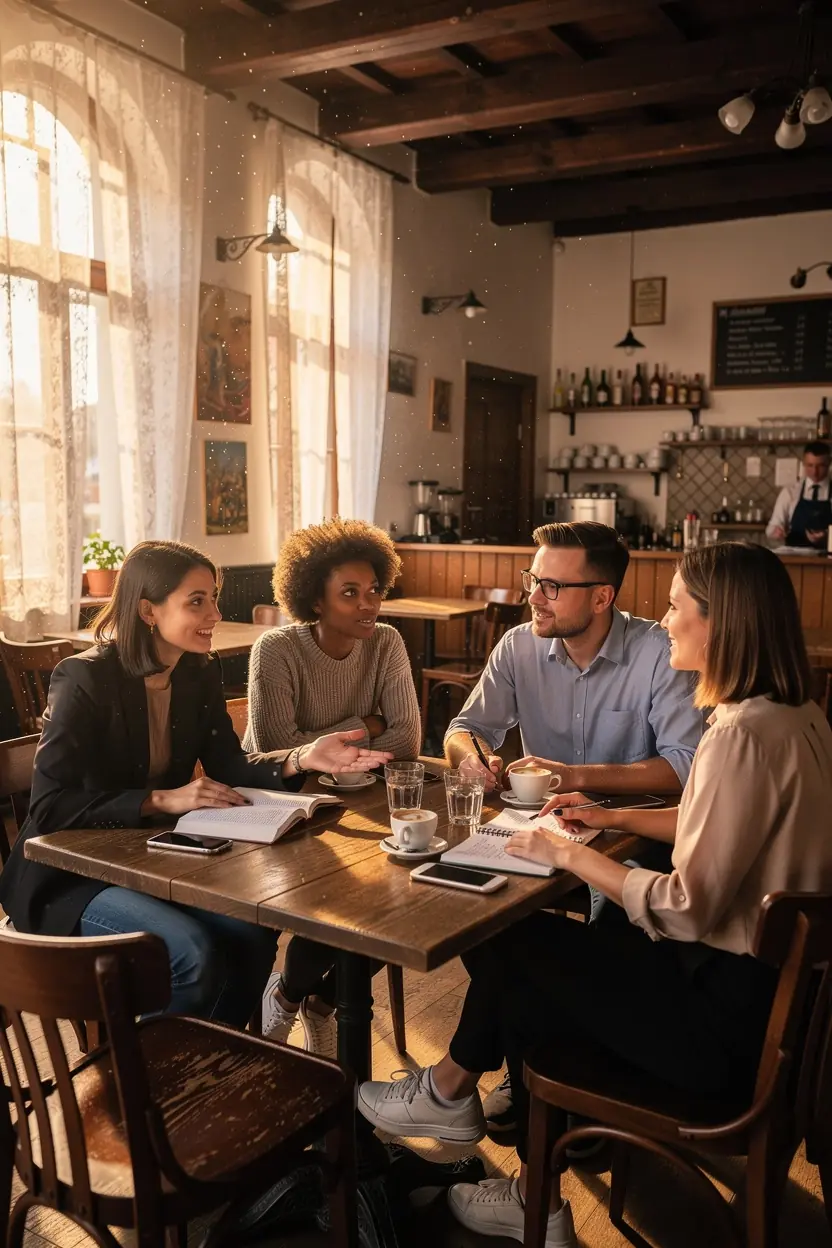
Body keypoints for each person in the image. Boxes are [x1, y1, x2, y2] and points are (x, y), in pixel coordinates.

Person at [356, 541, 832, 1248]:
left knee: (513, 941)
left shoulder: (737, 736)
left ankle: (465, 1111)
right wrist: (610, 816)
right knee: (533, 966)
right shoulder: (795, 718)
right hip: (772, 1015)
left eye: (678, 607)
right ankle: (506, 1162)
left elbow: (685, 905)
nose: (666, 621)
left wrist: (568, 853)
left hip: (721, 1034)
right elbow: (718, 819)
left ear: (723, 622)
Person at [0, 540, 391, 1031]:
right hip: (67, 878)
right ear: (148, 609)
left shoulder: (196, 673)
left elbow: (230, 765)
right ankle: (157, 1085)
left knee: (253, 928)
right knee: (193, 953)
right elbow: (50, 806)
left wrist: (300, 758)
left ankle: (217, 1069)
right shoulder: (83, 678)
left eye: (214, 597)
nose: (215, 612)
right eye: (197, 601)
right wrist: (162, 798)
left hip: (149, 858)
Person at [444, 520, 704, 1131]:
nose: (534, 594)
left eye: (552, 586)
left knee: (599, 943)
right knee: (476, 921)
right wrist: (473, 760)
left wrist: (574, 774)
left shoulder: (658, 652)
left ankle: (583, 1092)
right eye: (533, 579)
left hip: (637, 843)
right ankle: (528, 1065)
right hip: (541, 835)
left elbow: (687, 767)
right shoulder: (517, 647)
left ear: (602, 596)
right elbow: (464, 727)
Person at [244, 518, 420, 1054]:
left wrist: (323, 744)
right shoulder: (276, 650)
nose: (368, 605)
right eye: (350, 594)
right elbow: (277, 748)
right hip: (280, 806)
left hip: (360, 801)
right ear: (314, 601)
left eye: (374, 591)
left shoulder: (386, 641)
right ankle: (295, 996)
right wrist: (365, 723)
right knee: (343, 902)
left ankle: (310, 1000)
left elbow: (409, 737)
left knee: (402, 900)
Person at [766, 440, 831, 548]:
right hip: (796, 557)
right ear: (804, 464)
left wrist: (827, 535)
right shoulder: (790, 492)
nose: (815, 471)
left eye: (820, 466)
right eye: (810, 465)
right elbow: (772, 527)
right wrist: (776, 531)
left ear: (829, 463)